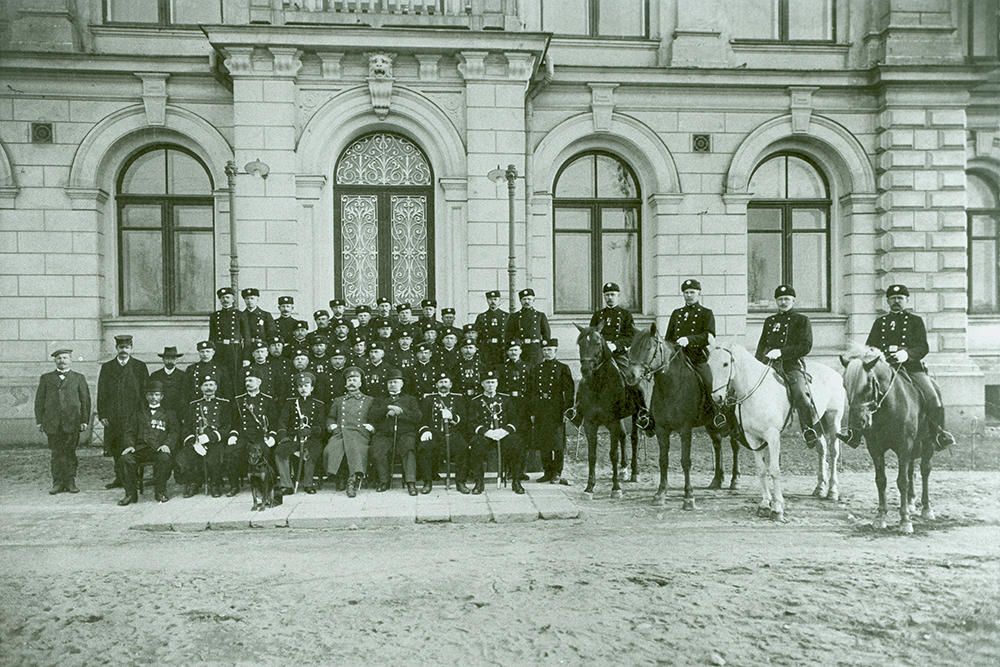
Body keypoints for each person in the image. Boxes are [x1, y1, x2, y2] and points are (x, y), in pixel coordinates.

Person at [865, 284, 956, 449]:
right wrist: (879, 356)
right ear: (887, 301)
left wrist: (907, 354)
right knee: (862, 394)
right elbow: (870, 346)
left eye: (900, 298)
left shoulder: (915, 321)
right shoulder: (880, 322)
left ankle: (938, 434)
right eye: (893, 298)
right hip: (886, 369)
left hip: (911, 368)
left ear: (906, 300)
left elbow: (923, 347)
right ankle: (854, 433)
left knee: (933, 398)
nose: (896, 301)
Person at [755, 285, 822, 448]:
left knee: (800, 394)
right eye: (780, 299)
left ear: (793, 300)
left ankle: (808, 430)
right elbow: (761, 344)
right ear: (776, 301)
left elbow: (805, 346)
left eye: (786, 299)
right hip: (769, 364)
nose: (783, 302)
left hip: (791, 364)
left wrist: (782, 352)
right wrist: (757, 363)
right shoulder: (770, 321)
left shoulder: (802, 320)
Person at [665, 279, 721, 427]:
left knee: (709, 382)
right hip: (677, 358)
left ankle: (716, 415)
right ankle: (653, 417)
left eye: (692, 292)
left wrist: (689, 339)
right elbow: (668, 339)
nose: (689, 295)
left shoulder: (706, 313)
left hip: (696, 358)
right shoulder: (676, 314)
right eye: (686, 292)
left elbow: (709, 335)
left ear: (699, 293)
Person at [35, 348, 90, 495]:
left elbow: (85, 400)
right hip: (52, 423)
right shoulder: (46, 378)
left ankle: (70, 481)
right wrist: (40, 420)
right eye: (59, 358)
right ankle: (57, 483)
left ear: (70, 359)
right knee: (56, 453)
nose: (62, 361)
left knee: (70, 453)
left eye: (65, 358)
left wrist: (84, 419)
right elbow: (39, 400)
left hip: (72, 422)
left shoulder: (78, 378)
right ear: (55, 360)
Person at [97, 334, 149, 489]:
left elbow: (145, 392)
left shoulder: (139, 366)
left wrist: (144, 414)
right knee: (115, 446)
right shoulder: (107, 367)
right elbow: (102, 392)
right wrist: (103, 414)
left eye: (126, 347)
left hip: (133, 415)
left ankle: (133, 478)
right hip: (113, 415)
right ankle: (119, 478)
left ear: (131, 348)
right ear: (116, 348)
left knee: (132, 444)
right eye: (121, 348)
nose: (124, 350)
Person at [117, 381, 179, 505]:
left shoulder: (169, 414)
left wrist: (167, 444)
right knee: (125, 459)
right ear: (146, 396)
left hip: (158, 448)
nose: (154, 398)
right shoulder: (138, 413)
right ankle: (130, 494)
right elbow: (129, 432)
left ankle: (160, 491)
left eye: (156, 395)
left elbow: (174, 432)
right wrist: (129, 446)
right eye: (150, 395)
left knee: (165, 459)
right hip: (140, 449)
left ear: (161, 396)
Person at [468, 370, 526, 494]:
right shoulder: (476, 401)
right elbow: (472, 422)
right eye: (487, 382)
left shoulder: (505, 399)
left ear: (497, 383)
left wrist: (504, 431)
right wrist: (486, 432)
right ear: (482, 384)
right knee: (476, 444)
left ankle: (516, 481)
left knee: (517, 443)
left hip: (502, 434)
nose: (490, 385)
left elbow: (514, 419)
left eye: (493, 382)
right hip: (485, 435)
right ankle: (479, 482)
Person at [177, 373, 232, 498]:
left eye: (211, 385)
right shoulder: (193, 405)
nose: (209, 388)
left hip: (214, 440)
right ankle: (192, 483)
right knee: (186, 455)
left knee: (215, 455)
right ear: (201, 388)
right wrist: (193, 442)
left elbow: (227, 426)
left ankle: (215, 484)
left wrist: (210, 437)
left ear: (216, 387)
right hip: (197, 440)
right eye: (205, 385)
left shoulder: (224, 404)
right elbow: (186, 427)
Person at [369, 368, 422, 495]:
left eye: (396, 382)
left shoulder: (410, 399)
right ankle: (384, 481)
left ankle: (410, 482)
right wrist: (388, 407)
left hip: (405, 433)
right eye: (390, 382)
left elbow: (417, 416)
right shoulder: (380, 399)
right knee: (377, 450)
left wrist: (400, 410)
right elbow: (372, 415)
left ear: (402, 384)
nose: (393, 384)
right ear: (386, 385)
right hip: (385, 434)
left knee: (409, 449)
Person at [324, 367, 376, 498]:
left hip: (360, 433)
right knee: (331, 448)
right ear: (345, 383)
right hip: (340, 432)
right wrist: (332, 425)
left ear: (360, 383)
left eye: (355, 380)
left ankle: (352, 481)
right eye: (349, 380)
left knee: (355, 448)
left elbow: (376, 417)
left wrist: (372, 426)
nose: (352, 382)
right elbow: (331, 416)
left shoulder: (369, 400)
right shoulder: (338, 400)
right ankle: (340, 476)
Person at [529, 338, 574, 484]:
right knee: (544, 441)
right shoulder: (537, 369)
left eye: (549, 350)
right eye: (544, 350)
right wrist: (533, 411)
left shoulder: (563, 368)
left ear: (555, 351)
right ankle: (547, 471)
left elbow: (569, 392)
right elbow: (532, 391)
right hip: (541, 408)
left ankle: (557, 472)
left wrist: (567, 411)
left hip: (556, 407)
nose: (547, 353)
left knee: (557, 442)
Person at [275, 372, 327, 495]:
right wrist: (283, 436)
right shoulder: (290, 403)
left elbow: (321, 426)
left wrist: (311, 430)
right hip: (294, 438)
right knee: (279, 452)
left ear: (312, 388)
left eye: (306, 385)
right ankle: (286, 485)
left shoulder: (318, 404)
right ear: (297, 388)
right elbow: (282, 421)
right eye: (300, 386)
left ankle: (308, 484)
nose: (303, 389)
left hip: (311, 438)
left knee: (313, 451)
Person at [228, 370, 278, 497]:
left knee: (265, 453)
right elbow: (235, 422)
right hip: (244, 436)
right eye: (246, 381)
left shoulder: (268, 400)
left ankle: (266, 484)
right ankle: (234, 486)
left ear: (259, 382)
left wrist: (272, 436)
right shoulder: (239, 400)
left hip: (261, 436)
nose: (248, 383)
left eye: (251, 380)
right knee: (232, 453)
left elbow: (273, 421)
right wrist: (233, 435)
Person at [417, 372, 468, 494]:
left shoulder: (458, 398)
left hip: (452, 433)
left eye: (446, 382)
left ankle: (460, 482)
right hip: (434, 434)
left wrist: (452, 416)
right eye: (440, 382)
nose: (443, 384)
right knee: (424, 448)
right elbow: (422, 419)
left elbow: (464, 420)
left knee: (463, 448)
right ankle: (427, 482)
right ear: (436, 385)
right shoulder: (428, 399)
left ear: (451, 384)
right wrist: (425, 430)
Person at [210, 287, 250, 382]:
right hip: (220, 349)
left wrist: (246, 357)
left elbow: (246, 337)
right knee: (220, 374)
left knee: (234, 376)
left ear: (233, 299)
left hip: (235, 350)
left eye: (228, 297)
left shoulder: (240, 314)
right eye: (222, 298)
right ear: (220, 300)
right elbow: (211, 337)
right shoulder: (215, 316)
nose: (225, 300)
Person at [505, 288, 551, 366]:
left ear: (533, 300)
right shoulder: (514, 316)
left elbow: (546, 335)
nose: (526, 301)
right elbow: (508, 335)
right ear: (520, 301)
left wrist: (544, 351)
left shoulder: (540, 315)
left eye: (529, 299)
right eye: (524, 299)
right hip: (520, 350)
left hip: (535, 350)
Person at [590, 282, 636, 355]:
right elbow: (591, 335)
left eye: (612, 294)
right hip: (600, 353)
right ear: (604, 296)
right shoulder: (597, 315)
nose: (610, 297)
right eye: (607, 295)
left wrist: (615, 345)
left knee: (625, 366)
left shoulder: (626, 314)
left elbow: (631, 336)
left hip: (618, 352)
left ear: (618, 296)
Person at [149, 346, 188, 420]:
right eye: (167, 358)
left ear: (177, 360)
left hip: (178, 413)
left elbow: (185, 396)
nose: (170, 361)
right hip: (160, 413)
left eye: (173, 359)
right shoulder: (155, 375)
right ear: (163, 359)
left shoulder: (184, 376)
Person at [475, 290, 508, 370]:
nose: (493, 301)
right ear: (487, 301)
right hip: (487, 349)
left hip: (501, 349)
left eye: (495, 299)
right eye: (490, 299)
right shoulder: (481, 317)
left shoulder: (507, 316)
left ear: (500, 300)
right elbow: (477, 336)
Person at [242, 287, 277, 353]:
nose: (249, 301)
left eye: (252, 298)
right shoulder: (241, 315)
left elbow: (272, 333)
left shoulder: (265, 315)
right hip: (245, 347)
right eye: (247, 299)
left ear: (257, 299)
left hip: (261, 347)